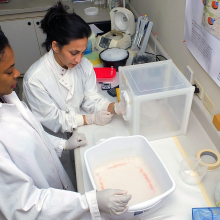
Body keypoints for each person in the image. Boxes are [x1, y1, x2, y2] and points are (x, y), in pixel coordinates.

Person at [0, 29, 131, 220]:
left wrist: (62, 145)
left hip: (56, 181)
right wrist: (90, 203)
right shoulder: (36, 78)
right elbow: (26, 206)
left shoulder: (8, 98)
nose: (17, 73)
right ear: (55, 46)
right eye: (9, 71)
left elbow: (31, 135)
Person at [23, 1, 126, 141]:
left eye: (82, 52)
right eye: (73, 53)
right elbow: (53, 120)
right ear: (55, 46)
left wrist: (114, 107)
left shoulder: (84, 65)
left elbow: (91, 99)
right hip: (53, 140)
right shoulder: (35, 79)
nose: (79, 59)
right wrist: (90, 119)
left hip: (78, 131)